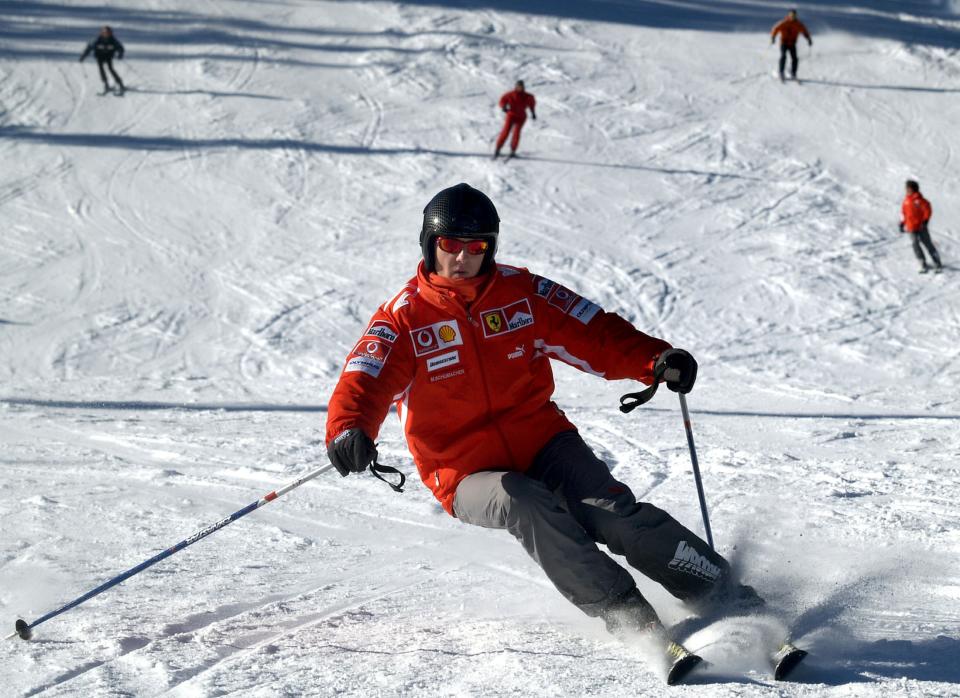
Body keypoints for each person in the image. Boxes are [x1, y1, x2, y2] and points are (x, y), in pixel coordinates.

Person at [325, 183, 762, 653]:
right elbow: (363, 380)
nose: (462, 257)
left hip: (543, 442)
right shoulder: (403, 318)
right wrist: (349, 429)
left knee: (616, 517)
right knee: (525, 502)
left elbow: (592, 331)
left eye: (476, 247)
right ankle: (627, 615)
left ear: (490, 248)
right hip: (464, 470)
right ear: (430, 246)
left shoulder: (523, 293)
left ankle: (717, 589)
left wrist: (655, 359)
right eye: (450, 245)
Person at [900, 180, 943, 273]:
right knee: (915, 244)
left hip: (921, 226)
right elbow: (904, 213)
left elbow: (927, 210)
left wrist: (925, 221)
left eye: (909, 188)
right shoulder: (906, 201)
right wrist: (902, 223)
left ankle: (937, 262)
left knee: (927, 243)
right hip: (911, 227)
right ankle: (922, 262)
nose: (907, 190)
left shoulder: (921, 201)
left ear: (914, 189)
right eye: (906, 188)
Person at [494, 80, 536, 159]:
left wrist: (533, 112)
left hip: (521, 117)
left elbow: (532, 104)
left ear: (523, 87)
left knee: (516, 133)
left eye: (521, 87)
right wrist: (503, 106)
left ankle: (513, 150)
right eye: (518, 86)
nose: (520, 88)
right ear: (516, 87)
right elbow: (502, 100)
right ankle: (498, 148)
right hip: (511, 115)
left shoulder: (528, 96)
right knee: (505, 131)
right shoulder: (510, 94)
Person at [80, 26, 125, 95]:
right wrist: (84, 56)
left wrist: (120, 54)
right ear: (102, 33)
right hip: (99, 56)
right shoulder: (97, 39)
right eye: (105, 33)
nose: (106, 35)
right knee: (101, 69)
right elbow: (89, 47)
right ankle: (106, 83)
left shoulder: (113, 40)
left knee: (111, 69)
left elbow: (120, 47)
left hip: (108, 56)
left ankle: (120, 83)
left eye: (108, 33)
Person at [770, 9, 812, 82]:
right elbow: (775, 29)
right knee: (783, 56)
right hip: (784, 43)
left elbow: (804, 31)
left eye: (794, 15)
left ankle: (793, 73)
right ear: (789, 15)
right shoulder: (784, 22)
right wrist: (773, 37)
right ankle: (781, 72)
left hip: (792, 43)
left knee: (795, 58)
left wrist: (808, 39)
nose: (792, 17)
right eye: (791, 15)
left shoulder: (798, 24)